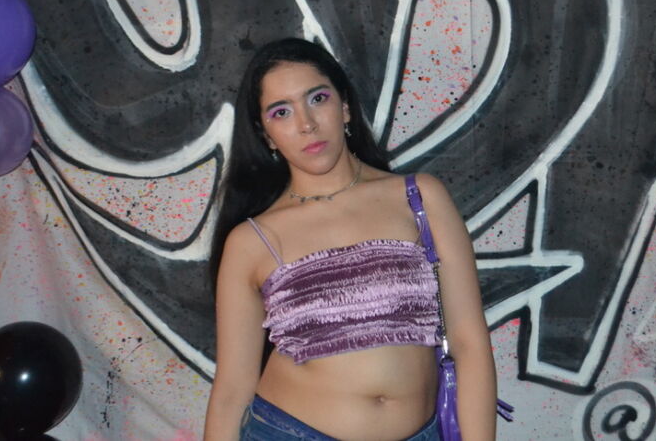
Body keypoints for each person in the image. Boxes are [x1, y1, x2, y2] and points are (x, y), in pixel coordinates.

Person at [203, 38, 498, 441]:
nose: (306, 123)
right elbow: (231, 392)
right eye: (281, 112)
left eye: (317, 98)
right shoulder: (252, 240)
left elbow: (469, 342)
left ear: (344, 107)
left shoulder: (419, 198)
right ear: (267, 135)